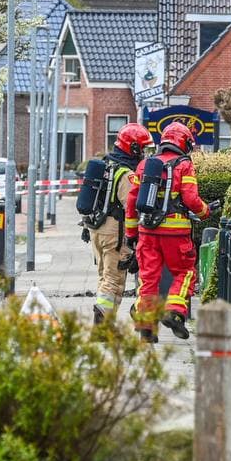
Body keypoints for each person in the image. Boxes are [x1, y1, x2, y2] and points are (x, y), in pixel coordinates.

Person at [124, 121, 216, 343]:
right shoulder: (184, 165)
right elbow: (191, 200)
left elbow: (132, 201)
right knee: (185, 272)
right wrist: (205, 212)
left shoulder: (145, 165)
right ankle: (174, 312)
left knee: (148, 279)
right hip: (176, 234)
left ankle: (146, 327)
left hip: (147, 232)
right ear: (184, 143)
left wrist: (131, 234)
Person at [85, 122, 152, 327]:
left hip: (96, 229)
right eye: (142, 148)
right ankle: (103, 322)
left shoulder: (106, 165)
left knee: (104, 277)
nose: (143, 153)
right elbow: (131, 205)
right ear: (132, 147)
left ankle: (106, 324)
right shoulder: (126, 174)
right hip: (115, 232)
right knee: (115, 279)